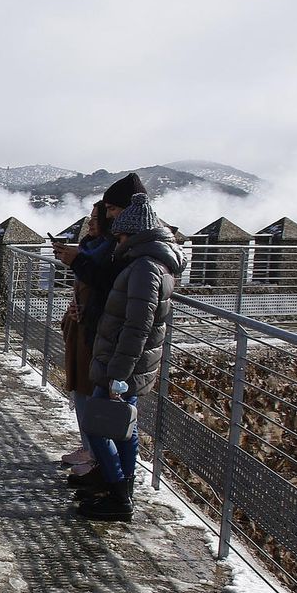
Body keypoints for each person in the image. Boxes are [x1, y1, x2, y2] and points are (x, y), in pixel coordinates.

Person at [79, 192, 187, 521]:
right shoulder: (150, 264)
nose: (119, 241)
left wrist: (118, 376)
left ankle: (118, 492)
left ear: (137, 235)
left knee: (97, 425)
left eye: (123, 236)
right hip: (127, 364)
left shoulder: (145, 268)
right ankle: (122, 491)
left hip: (124, 365)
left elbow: (138, 326)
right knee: (125, 427)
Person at [52, 201, 116, 481]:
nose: (89, 224)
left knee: (93, 393)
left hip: (97, 333)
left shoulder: (110, 253)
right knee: (80, 389)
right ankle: (89, 448)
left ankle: (97, 457)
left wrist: (77, 260)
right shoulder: (92, 247)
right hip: (82, 328)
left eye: (95, 218)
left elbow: (106, 289)